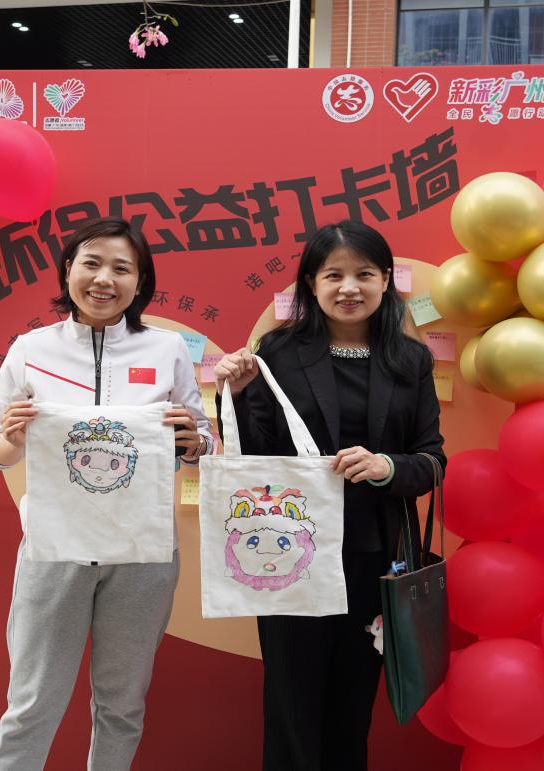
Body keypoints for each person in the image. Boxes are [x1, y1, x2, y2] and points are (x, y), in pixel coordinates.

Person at [0, 217, 212, 771]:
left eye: (122, 268)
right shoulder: (31, 349)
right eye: (92, 263)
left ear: (140, 282)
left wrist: (194, 440)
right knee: (31, 702)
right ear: (68, 269)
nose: (104, 279)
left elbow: (200, 441)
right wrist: (13, 438)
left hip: (143, 555)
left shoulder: (167, 349)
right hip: (53, 549)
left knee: (122, 704)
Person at [213, 220, 446, 771]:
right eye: (333, 275)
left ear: (386, 280)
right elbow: (258, 460)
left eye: (364, 274)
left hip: (375, 557)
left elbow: (433, 461)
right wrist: (240, 394)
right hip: (287, 555)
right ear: (311, 284)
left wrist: (387, 466)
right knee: (290, 703)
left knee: (352, 704)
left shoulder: (410, 361)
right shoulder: (279, 352)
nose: (349, 287)